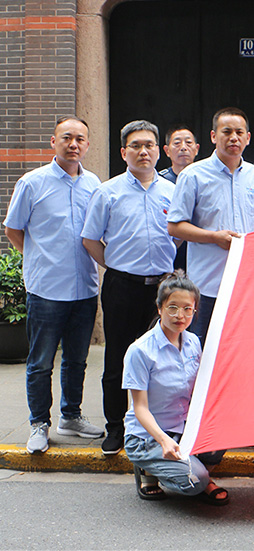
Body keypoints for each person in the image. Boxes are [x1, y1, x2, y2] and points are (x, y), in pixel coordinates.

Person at [3, 116, 104, 454]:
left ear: (87, 145)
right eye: (66, 138)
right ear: (53, 142)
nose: (73, 144)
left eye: (80, 139)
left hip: (84, 288)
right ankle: (39, 424)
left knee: (77, 359)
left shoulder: (94, 184)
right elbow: (13, 229)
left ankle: (71, 416)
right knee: (41, 362)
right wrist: (38, 258)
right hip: (46, 289)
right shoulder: (32, 183)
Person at [81, 120, 177, 455]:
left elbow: (179, 236)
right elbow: (90, 239)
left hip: (162, 290)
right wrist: (116, 266)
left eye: (149, 145)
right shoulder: (108, 192)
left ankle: (155, 426)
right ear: (124, 152)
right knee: (118, 359)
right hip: (122, 286)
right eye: (135, 146)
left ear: (158, 151)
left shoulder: (172, 191)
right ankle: (116, 427)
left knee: (159, 359)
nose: (143, 151)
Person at [167, 107, 254, 346]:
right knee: (201, 351)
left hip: (245, 283)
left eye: (239, 132)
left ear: (248, 138)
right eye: (227, 132)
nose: (233, 138)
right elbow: (175, 226)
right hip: (207, 285)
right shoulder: (193, 175)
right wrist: (214, 237)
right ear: (214, 136)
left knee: (241, 349)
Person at [123, 271, 228, 505]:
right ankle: (149, 469)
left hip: (182, 429)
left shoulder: (193, 342)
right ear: (160, 308)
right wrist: (163, 440)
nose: (180, 315)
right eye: (172, 308)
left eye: (187, 309)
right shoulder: (140, 351)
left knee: (226, 430)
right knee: (194, 483)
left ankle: (194, 470)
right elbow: (140, 408)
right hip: (148, 437)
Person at [159, 125, 200, 271]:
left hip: (200, 252)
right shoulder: (158, 182)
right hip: (168, 256)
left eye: (188, 143)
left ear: (197, 149)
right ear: (166, 150)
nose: (183, 147)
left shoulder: (207, 179)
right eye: (177, 143)